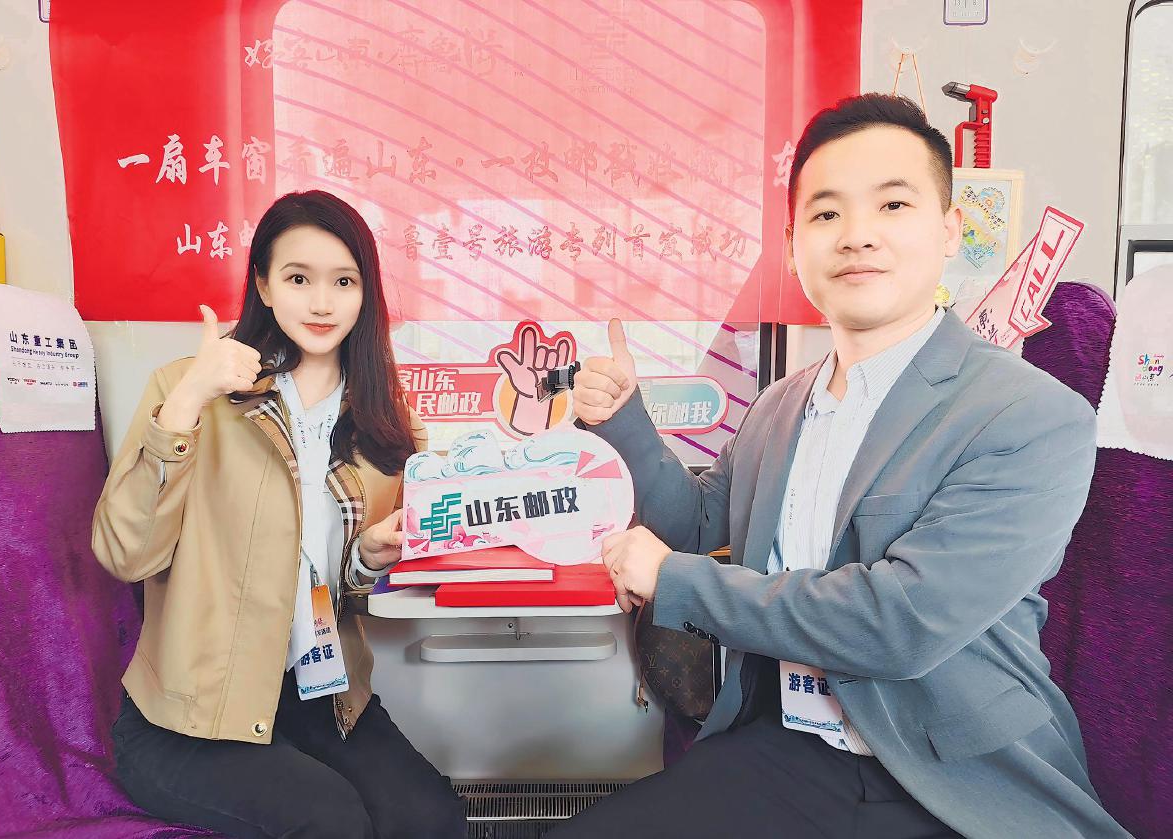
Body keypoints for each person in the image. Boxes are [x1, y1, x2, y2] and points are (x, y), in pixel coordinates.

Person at [557, 95, 1129, 838]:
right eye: (826, 214)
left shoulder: (1030, 414)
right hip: (792, 750)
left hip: (950, 774)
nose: (857, 234)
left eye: (892, 204)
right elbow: (697, 527)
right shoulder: (779, 405)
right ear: (793, 246)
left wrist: (674, 580)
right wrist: (626, 422)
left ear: (949, 229)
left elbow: (899, 623)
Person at [93, 190, 467, 838]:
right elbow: (126, 553)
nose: (322, 303)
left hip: (320, 695)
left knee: (431, 820)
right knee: (332, 821)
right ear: (263, 285)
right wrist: (189, 399)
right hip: (190, 717)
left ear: (366, 293)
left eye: (343, 282)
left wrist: (365, 558)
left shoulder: (385, 424)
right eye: (299, 279)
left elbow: (344, 589)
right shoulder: (190, 388)